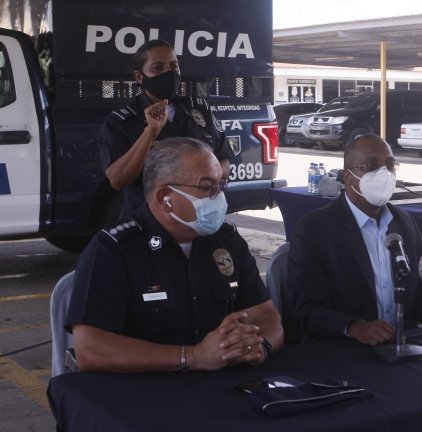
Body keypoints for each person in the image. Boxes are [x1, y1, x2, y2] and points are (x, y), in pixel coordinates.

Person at [67, 137, 282, 372]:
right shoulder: (113, 250)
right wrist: (193, 357)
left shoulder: (227, 241)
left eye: (221, 185)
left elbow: (266, 316)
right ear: (165, 198)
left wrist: (260, 346)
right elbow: (90, 349)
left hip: (224, 385)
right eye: (206, 187)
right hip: (144, 393)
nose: (219, 197)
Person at [287, 134, 422, 345]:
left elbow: (420, 296)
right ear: (348, 177)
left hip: (405, 348)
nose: (383, 174)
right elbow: (307, 309)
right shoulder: (313, 230)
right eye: (371, 165)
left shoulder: (404, 223)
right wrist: (353, 328)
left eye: (389, 165)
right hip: (347, 354)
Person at [98, 39, 231, 220]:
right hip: (147, 223)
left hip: (199, 219)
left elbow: (225, 161)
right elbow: (118, 180)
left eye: (174, 66)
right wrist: (150, 132)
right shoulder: (121, 121)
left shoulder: (198, 110)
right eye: (158, 68)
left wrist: (203, 178)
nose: (169, 73)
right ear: (139, 77)